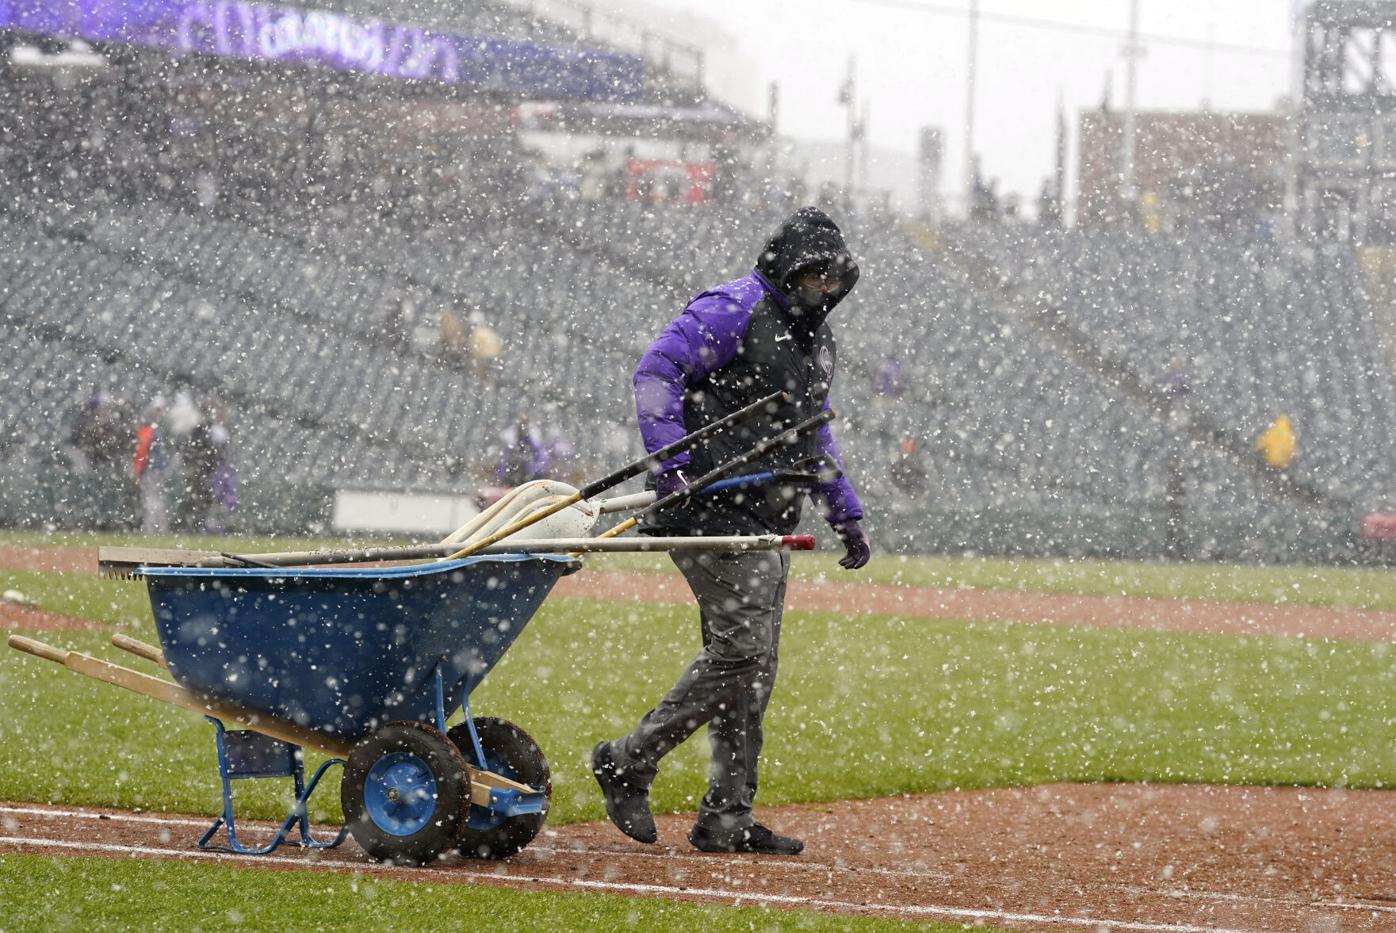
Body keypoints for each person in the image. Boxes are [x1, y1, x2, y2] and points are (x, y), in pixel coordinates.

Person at [590, 207, 871, 856]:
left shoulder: (815, 341)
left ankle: (727, 815)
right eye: (811, 275)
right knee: (742, 653)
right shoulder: (733, 308)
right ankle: (629, 759)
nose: (820, 289)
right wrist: (673, 463)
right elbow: (656, 370)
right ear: (785, 267)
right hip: (706, 512)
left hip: (768, 520)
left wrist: (844, 510)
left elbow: (812, 433)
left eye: (831, 279)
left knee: (755, 669)